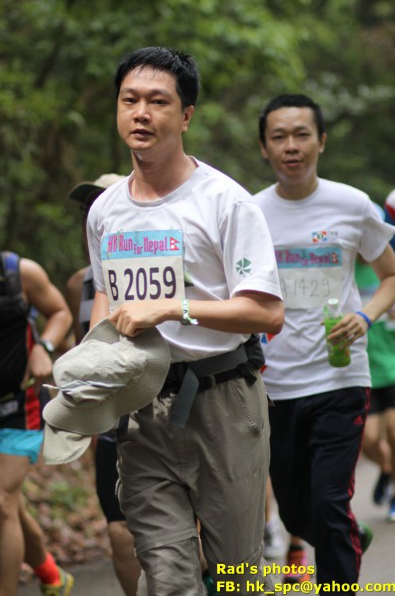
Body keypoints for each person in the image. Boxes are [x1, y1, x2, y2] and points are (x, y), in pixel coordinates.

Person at [86, 46, 284, 595]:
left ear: (186, 115)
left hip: (223, 402)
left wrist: (175, 308)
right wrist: (90, 364)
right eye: (130, 100)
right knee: (167, 578)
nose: (141, 113)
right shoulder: (105, 211)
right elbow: (106, 295)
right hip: (141, 410)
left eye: (158, 101)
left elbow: (267, 312)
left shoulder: (226, 202)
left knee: (237, 575)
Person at [253, 93, 395, 593]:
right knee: (297, 511)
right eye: (279, 137)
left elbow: (392, 277)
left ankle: (339, 568)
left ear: (321, 141)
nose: (291, 146)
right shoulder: (250, 212)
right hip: (274, 386)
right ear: (264, 148)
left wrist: (365, 316)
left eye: (302, 135)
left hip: (340, 378)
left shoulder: (351, 205)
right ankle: (347, 537)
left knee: (329, 503)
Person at [66, 174, 141, 596]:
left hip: (172, 416)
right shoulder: (79, 283)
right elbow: (82, 346)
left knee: (193, 531)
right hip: (113, 426)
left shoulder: (164, 270)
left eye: (102, 205)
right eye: (86, 210)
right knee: (118, 530)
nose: (91, 217)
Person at [0, 252, 73, 596]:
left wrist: (44, 345)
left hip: (17, 406)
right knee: (9, 503)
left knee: (2, 502)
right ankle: (48, 571)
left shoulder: (18, 273)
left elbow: (61, 312)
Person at [356, 202, 395, 522]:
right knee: (369, 440)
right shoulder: (344, 269)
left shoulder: (390, 267)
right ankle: (388, 470)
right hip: (363, 368)